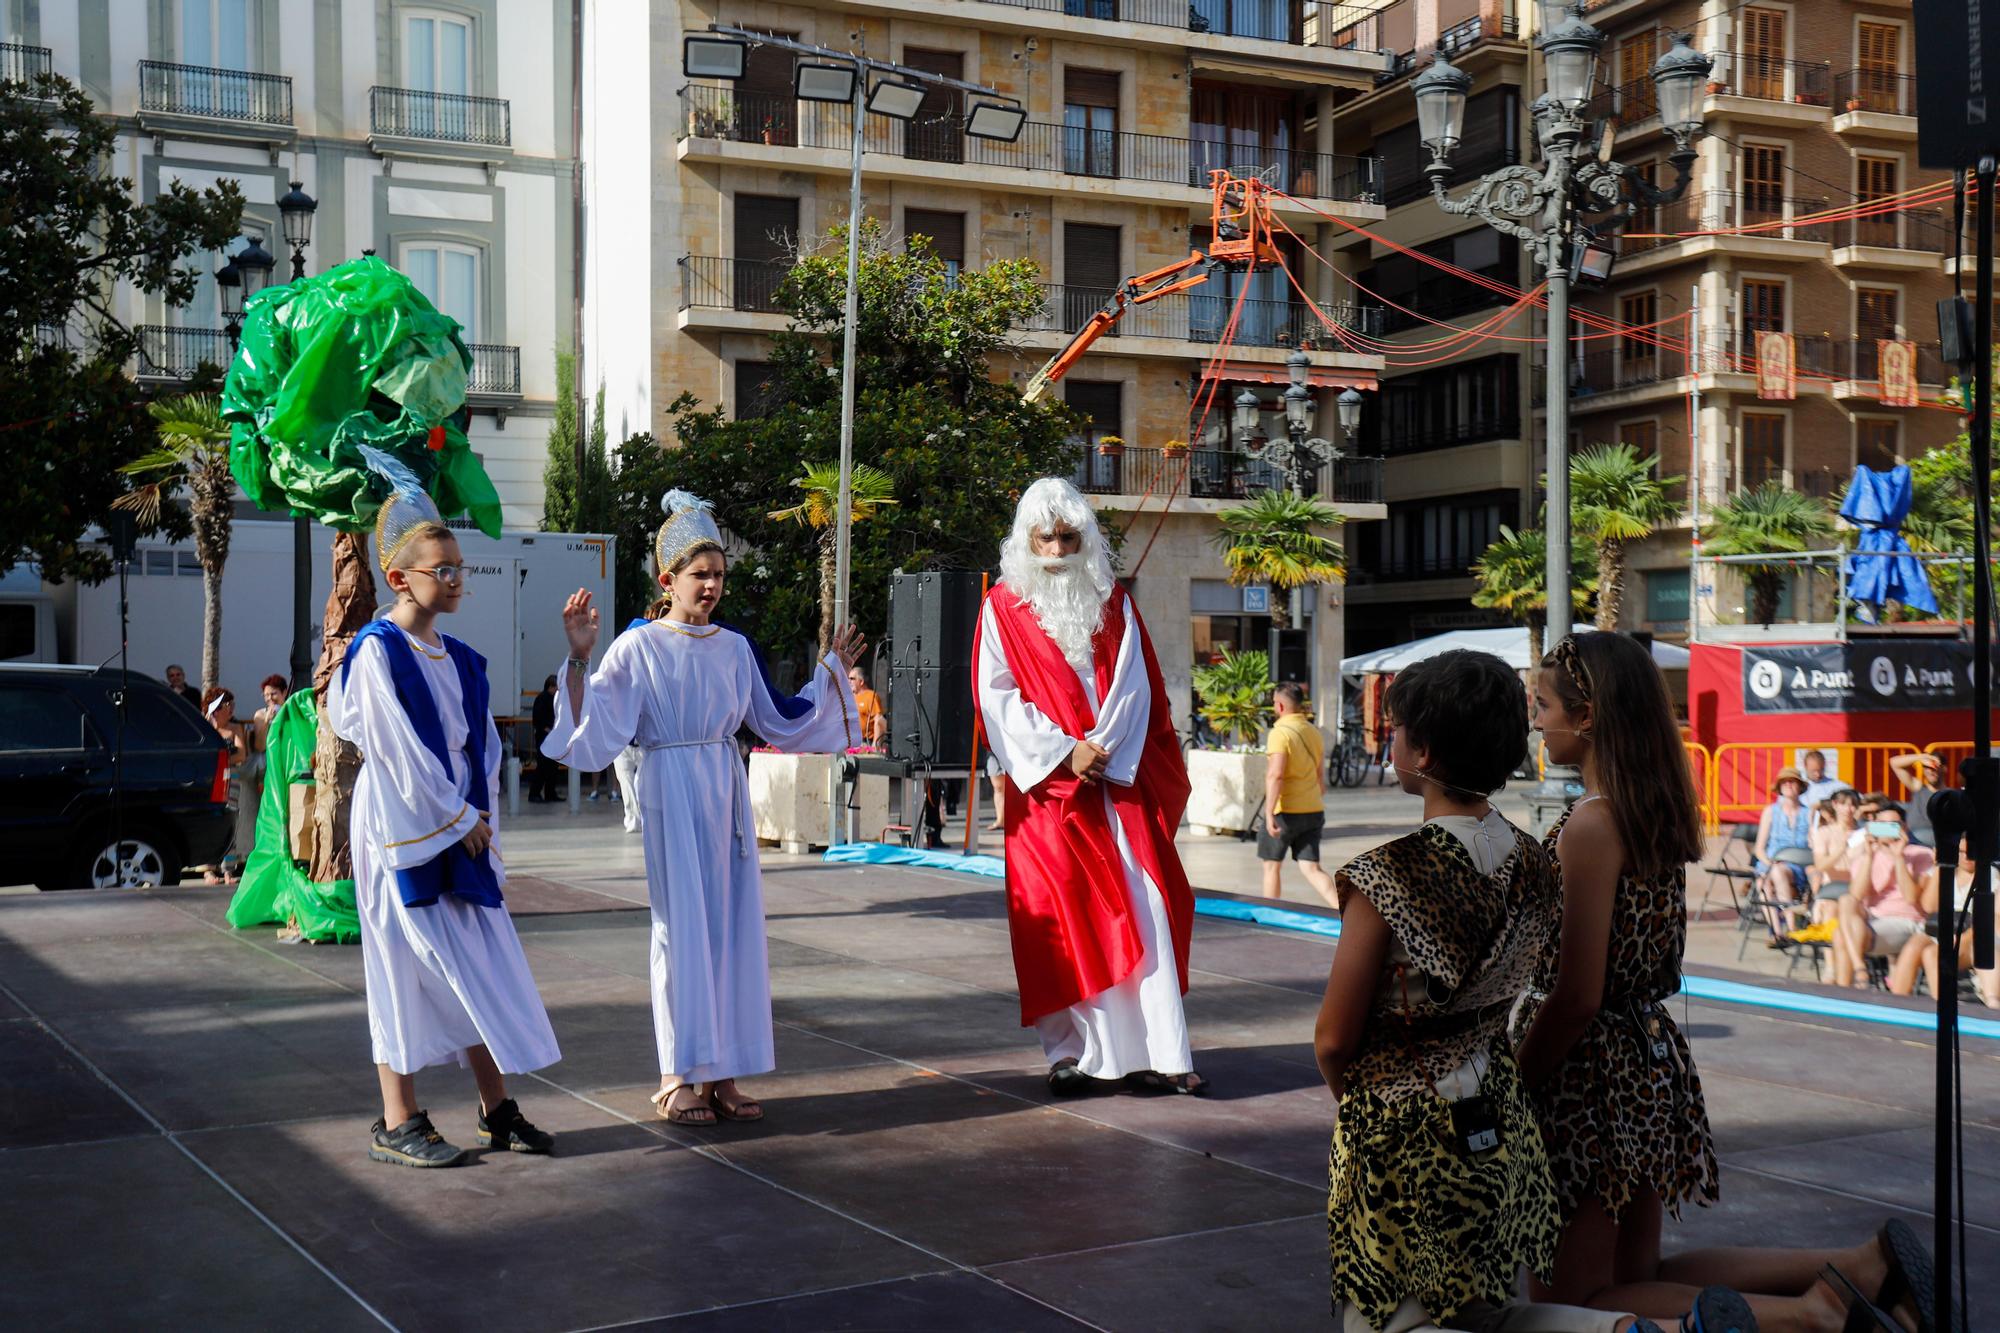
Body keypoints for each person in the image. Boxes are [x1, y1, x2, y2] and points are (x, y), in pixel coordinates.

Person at [1518, 632, 1936, 1330]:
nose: (1536, 719)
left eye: (1543, 704)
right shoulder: (1650, 809)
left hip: (1588, 1081)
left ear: (1586, 715)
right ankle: (1855, 1267)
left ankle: (1814, 1313)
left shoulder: (1590, 824)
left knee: (1576, 1303)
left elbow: (1577, 992)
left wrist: (1515, 1081)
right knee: (1640, 1277)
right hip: (1648, 1064)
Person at [542, 489, 862, 1127]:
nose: (712, 585)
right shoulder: (638, 648)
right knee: (680, 929)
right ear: (668, 580)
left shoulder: (734, 648)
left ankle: (723, 1073)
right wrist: (580, 658)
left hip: (724, 788)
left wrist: (829, 675)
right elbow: (596, 727)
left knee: (732, 928)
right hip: (671, 783)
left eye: (718, 574)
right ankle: (676, 1074)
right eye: (699, 574)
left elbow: (780, 719)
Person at [1314, 649, 1575, 1331]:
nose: (1390, 741)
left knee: (1383, 1319)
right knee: (1485, 1306)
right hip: (1498, 1106)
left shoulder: (1387, 876)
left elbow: (1334, 1038)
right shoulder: (1537, 862)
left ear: (1422, 752)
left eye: (1394, 730)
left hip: (1404, 1121)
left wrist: (1367, 1103)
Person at [330, 483, 560, 1168]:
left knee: (478, 965)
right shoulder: (377, 650)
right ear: (400, 578)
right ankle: (397, 1115)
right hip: (402, 824)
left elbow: (480, 745)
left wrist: (479, 810)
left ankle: (496, 1107)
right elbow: (393, 744)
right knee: (402, 964)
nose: (459, 579)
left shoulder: (457, 656)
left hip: (457, 823)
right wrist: (457, 816)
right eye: (445, 569)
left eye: (462, 567)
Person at [974, 478, 1204, 1098]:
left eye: (1067, 536)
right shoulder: (1000, 607)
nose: (1056, 549)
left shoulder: (1114, 603)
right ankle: (1071, 1055)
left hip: (1116, 786)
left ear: (1084, 538)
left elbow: (1139, 685)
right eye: (1044, 537)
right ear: (1026, 540)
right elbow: (997, 699)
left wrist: (1101, 752)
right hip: (1048, 796)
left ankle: (1159, 1051)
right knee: (1062, 918)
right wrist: (1062, 755)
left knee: (1147, 909)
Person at [1831, 802, 1932, 990]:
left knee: (1841, 936)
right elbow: (1857, 895)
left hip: (1906, 920)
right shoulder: (1865, 856)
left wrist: (1899, 857)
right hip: (1872, 917)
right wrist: (1869, 856)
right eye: (1881, 824)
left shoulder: (1921, 855)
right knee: (1846, 900)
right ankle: (1860, 968)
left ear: (1904, 827)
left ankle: (1846, 990)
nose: (1887, 830)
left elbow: (1911, 898)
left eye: (1893, 825)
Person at [1891, 835, 2000, 1007]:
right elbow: (1929, 906)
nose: (1966, 857)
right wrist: (1940, 868)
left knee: (1933, 954)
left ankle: (1944, 1006)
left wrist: (1960, 940)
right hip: (1941, 929)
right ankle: (1896, 1002)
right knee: (1914, 946)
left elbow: (1985, 920)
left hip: (1969, 936)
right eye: (1961, 852)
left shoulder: (1991, 877)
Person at [1259, 682, 1339, 910]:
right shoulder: (1314, 732)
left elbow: (1276, 775)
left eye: (1275, 703)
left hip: (1285, 811)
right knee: (1311, 867)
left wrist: (1269, 813)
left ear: (1281, 706)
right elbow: (1320, 778)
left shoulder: (1280, 733)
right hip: (1313, 809)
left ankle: (1270, 913)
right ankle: (1341, 913)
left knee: (1271, 866)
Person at [1751, 768, 1813, 942]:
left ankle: (1790, 928)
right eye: (1784, 782)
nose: (1788, 785)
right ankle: (1779, 931)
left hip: (1797, 865)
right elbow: (1759, 848)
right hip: (1770, 862)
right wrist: (1769, 863)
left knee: (1774, 875)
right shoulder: (1771, 811)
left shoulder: (1808, 813)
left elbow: (1812, 844)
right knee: (1763, 882)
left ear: (1800, 787)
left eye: (1792, 782)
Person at [200, 686, 253, 885]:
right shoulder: (205, 727)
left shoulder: (235, 728)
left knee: (231, 821)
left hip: (232, 779)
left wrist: (220, 759)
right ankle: (208, 870)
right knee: (210, 823)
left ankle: (228, 869)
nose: (230, 708)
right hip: (211, 781)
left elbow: (241, 754)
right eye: (225, 705)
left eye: (232, 704)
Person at [1806, 788, 1861, 925]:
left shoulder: (1864, 831)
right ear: (1835, 805)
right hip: (1832, 888)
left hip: (1859, 887)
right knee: (1831, 910)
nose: (1849, 809)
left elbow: (1897, 830)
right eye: (1844, 804)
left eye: (1853, 805)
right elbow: (1820, 865)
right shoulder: (1824, 832)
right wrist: (1841, 849)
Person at [1888, 753, 1942, 847]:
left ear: (1944, 768)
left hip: (1935, 840)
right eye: (1926, 767)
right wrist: (1922, 757)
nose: (1931, 771)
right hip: (1911, 838)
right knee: (1877, 829)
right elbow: (1894, 763)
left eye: (1934, 767)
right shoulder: (1918, 787)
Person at [528, 675, 560, 802]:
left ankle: (550, 793)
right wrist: (549, 730)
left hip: (552, 736)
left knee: (553, 767)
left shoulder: (553, 699)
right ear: (551, 686)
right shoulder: (542, 699)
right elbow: (539, 720)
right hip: (544, 737)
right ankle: (534, 793)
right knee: (542, 766)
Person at [848, 664, 887, 748]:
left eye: (852, 679)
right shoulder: (849, 697)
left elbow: (879, 721)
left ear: (861, 681)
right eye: (848, 678)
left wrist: (875, 745)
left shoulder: (870, 696)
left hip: (864, 743)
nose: (849, 681)